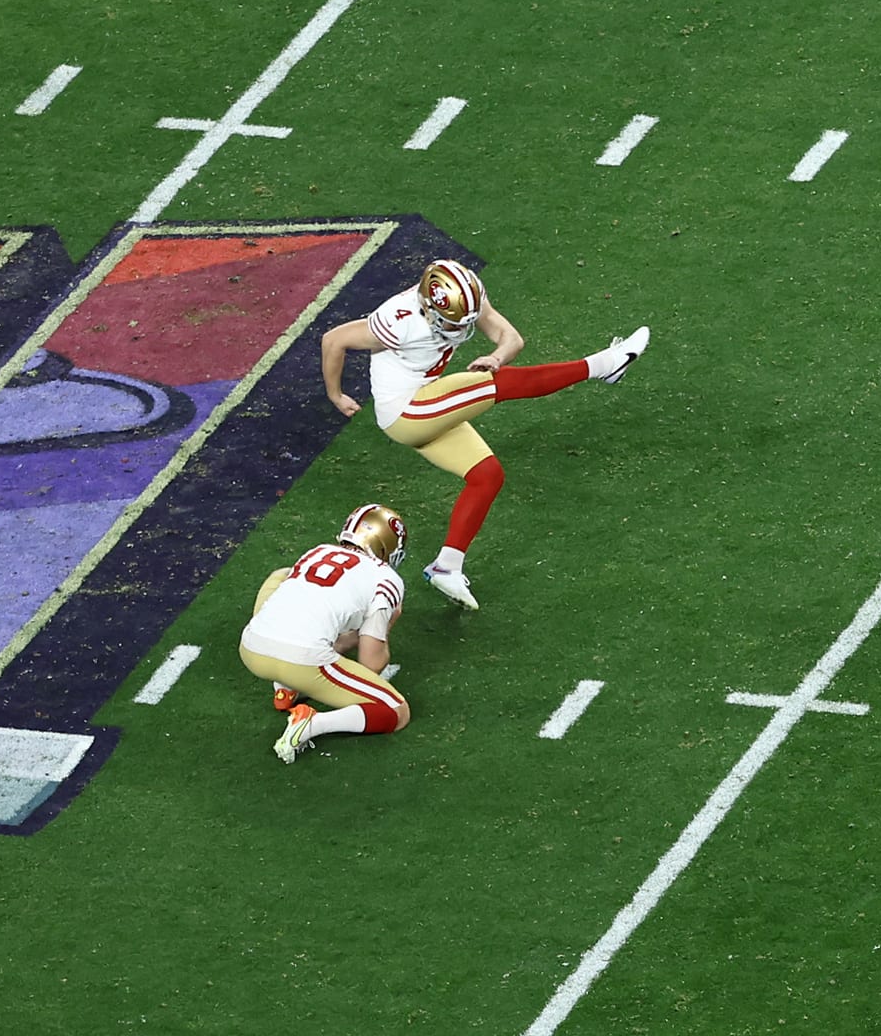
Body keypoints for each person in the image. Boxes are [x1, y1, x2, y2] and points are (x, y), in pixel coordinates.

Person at [320, 259, 647, 610]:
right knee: (498, 384)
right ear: (428, 308)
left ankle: (447, 566)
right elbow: (333, 339)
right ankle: (605, 365)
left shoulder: (464, 296)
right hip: (407, 411)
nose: (460, 329)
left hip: (428, 403)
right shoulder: (399, 320)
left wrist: (497, 356)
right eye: (452, 323)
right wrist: (336, 395)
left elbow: (511, 339)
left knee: (487, 476)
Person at [238, 504, 413, 763]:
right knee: (396, 711)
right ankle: (312, 724)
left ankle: (286, 687)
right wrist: (387, 625)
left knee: (282, 575)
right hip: (303, 661)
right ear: (385, 546)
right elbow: (370, 662)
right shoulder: (387, 578)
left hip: (252, 649)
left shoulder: (318, 551)